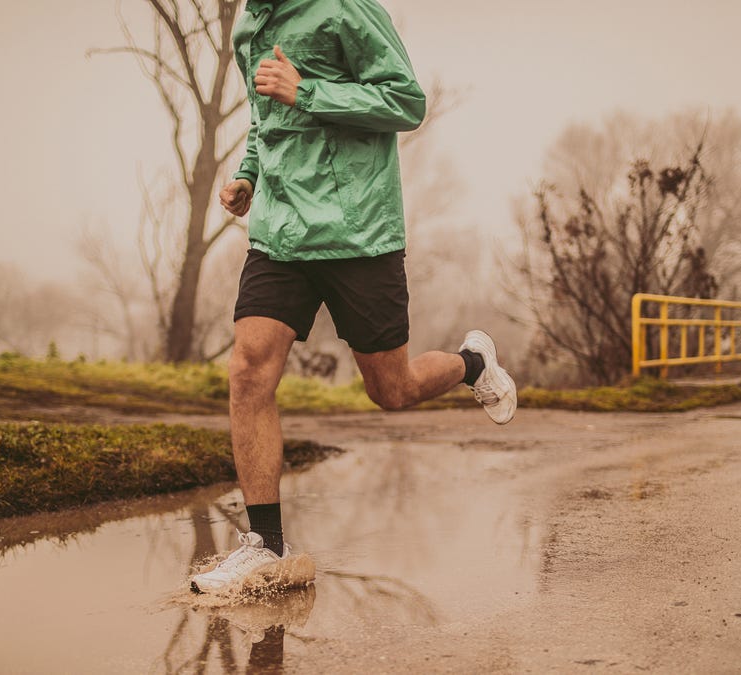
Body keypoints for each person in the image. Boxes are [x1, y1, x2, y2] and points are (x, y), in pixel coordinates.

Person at [189, 0, 517, 594]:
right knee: (247, 370)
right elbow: (264, 123)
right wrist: (248, 176)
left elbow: (406, 101)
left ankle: (474, 362)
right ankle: (265, 545)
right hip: (280, 234)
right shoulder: (248, 23)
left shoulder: (345, 8)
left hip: (357, 229)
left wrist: (308, 90)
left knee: (392, 389)